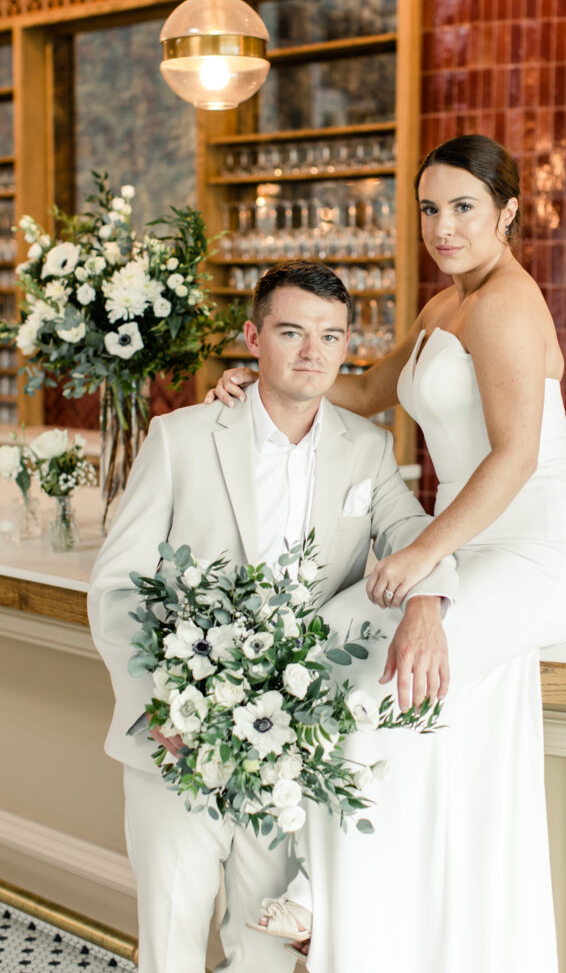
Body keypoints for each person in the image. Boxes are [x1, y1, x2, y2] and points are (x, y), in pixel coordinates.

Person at [207, 134, 566, 973]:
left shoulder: (505, 302)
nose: (443, 226)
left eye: (463, 207)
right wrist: (261, 375)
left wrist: (423, 554)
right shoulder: (441, 308)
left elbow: (513, 457)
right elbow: (356, 392)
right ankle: (343, 892)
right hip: (472, 539)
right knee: (320, 644)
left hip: (542, 544)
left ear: (505, 211)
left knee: (381, 671)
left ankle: (323, 895)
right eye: (430, 208)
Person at [87, 259, 459, 973]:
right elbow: (117, 587)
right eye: (291, 332)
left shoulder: (368, 448)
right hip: (175, 742)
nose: (310, 351)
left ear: (346, 347)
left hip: (283, 758)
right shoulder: (180, 437)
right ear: (253, 338)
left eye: (329, 336)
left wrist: (424, 603)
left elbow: (414, 534)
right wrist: (158, 705)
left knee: (262, 953)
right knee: (170, 944)